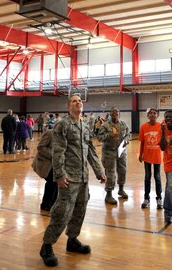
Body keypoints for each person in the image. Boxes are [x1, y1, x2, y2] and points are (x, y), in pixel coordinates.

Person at [40, 95, 106, 267]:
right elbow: (58, 151)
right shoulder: (63, 124)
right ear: (68, 106)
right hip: (68, 178)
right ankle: (46, 245)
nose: (79, 103)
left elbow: (91, 149)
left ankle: (72, 239)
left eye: (80, 101)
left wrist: (99, 171)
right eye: (75, 101)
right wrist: (60, 175)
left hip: (83, 177)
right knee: (62, 212)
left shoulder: (85, 126)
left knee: (80, 209)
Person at [98, 106, 130, 205]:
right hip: (109, 152)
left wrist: (126, 140)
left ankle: (121, 189)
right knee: (110, 173)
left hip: (121, 151)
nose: (115, 114)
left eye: (116, 112)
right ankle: (108, 194)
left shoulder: (123, 124)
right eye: (113, 112)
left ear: (119, 113)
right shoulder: (105, 125)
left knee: (122, 171)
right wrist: (109, 135)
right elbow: (99, 138)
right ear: (110, 114)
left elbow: (128, 134)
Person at [139, 108, 163, 209]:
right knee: (147, 177)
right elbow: (142, 142)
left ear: (157, 115)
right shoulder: (144, 126)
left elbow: (163, 141)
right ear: (148, 116)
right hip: (147, 156)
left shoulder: (161, 126)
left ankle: (159, 199)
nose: (152, 115)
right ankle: (146, 198)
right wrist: (141, 154)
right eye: (150, 113)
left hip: (157, 155)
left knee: (157, 177)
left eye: (154, 113)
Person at [32, 129, 58, 212]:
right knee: (52, 182)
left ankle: (53, 204)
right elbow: (40, 147)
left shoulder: (66, 135)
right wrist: (54, 155)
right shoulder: (50, 133)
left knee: (56, 182)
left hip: (57, 164)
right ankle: (46, 204)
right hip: (46, 163)